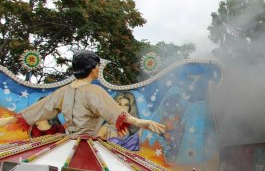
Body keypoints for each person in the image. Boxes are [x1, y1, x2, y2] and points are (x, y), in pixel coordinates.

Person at [0, 50, 165, 137]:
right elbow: (116, 113)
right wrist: (142, 123)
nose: (98, 69)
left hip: (67, 142)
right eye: (98, 66)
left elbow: (39, 109)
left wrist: (9, 120)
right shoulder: (93, 91)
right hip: (86, 144)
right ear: (93, 68)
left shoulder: (63, 92)